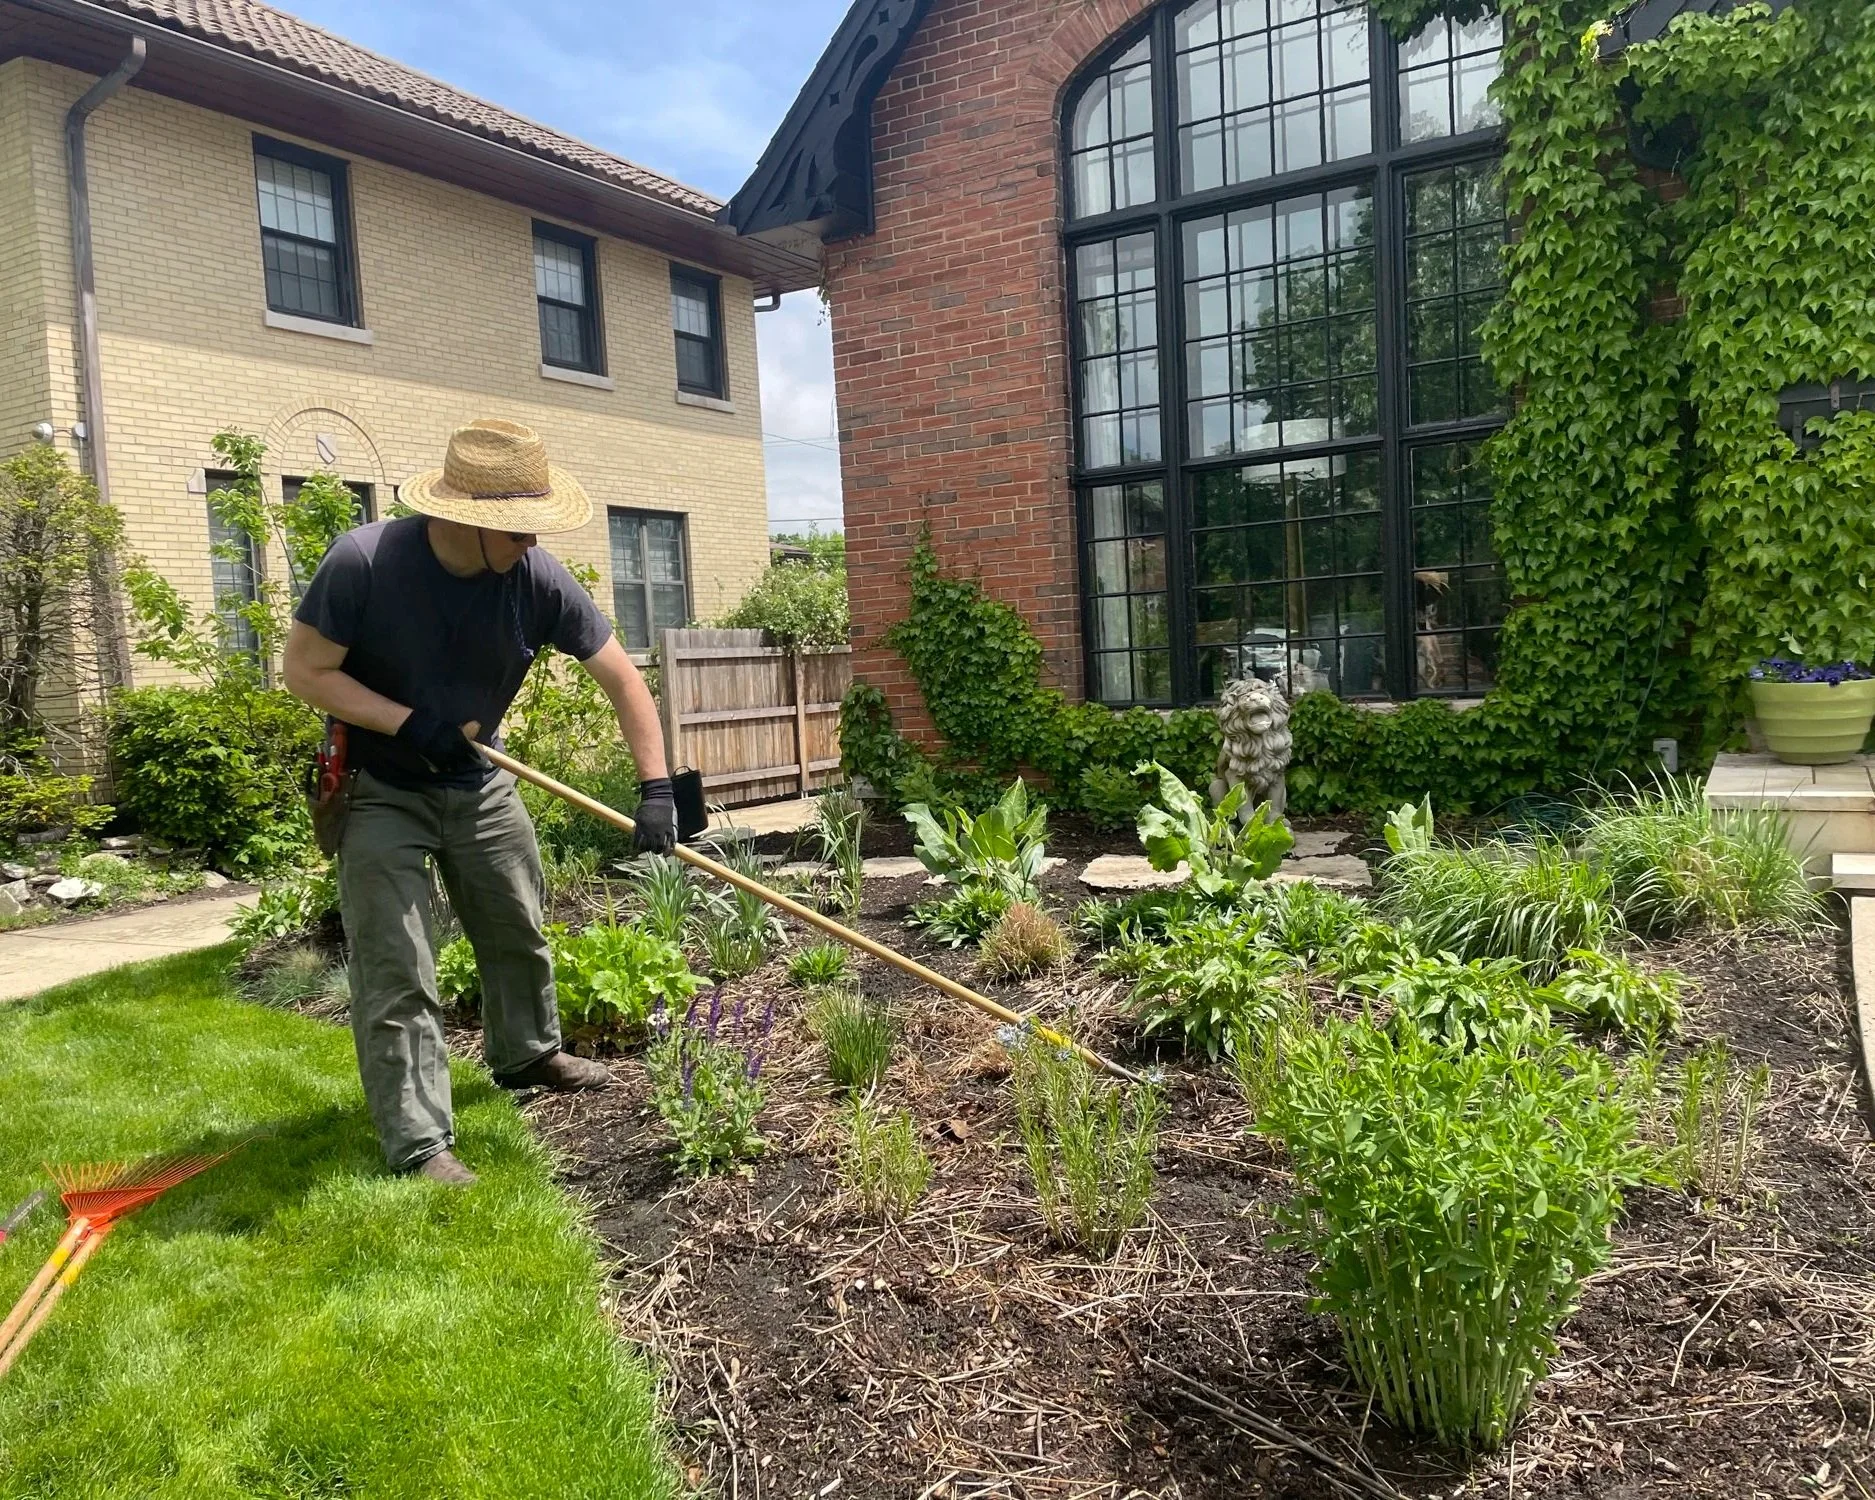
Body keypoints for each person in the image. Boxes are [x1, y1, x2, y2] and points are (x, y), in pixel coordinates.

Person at [283, 418, 677, 1186]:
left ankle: (528, 1055)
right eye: (518, 531)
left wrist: (656, 785)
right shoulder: (364, 563)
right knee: (398, 964)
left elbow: (622, 678)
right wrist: (408, 723)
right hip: (380, 789)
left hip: (477, 783)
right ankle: (418, 1141)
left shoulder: (535, 579)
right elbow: (304, 672)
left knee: (516, 923)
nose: (531, 543)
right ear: (467, 519)